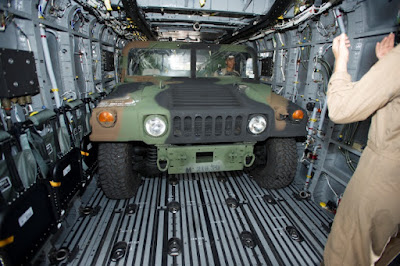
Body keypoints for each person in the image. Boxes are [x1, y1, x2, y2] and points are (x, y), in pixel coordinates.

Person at [323, 33, 400, 265]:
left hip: (385, 174)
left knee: (348, 252)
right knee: (386, 246)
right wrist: (386, 65)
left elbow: (340, 109)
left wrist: (341, 60)